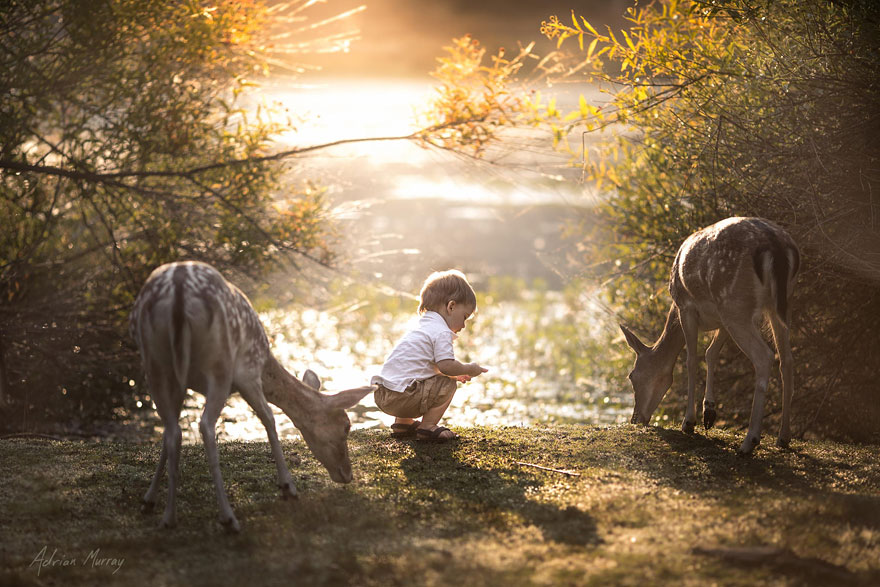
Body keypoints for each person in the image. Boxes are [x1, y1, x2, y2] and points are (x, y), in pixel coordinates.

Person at [372, 270, 488, 442]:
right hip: (403, 397)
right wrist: (469, 369)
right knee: (448, 383)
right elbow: (446, 366)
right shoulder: (441, 332)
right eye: (464, 317)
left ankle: (403, 424)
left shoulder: (419, 328)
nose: (463, 325)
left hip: (383, 394)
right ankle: (427, 427)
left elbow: (422, 369)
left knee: (419, 380)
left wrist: (454, 372)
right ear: (451, 306)